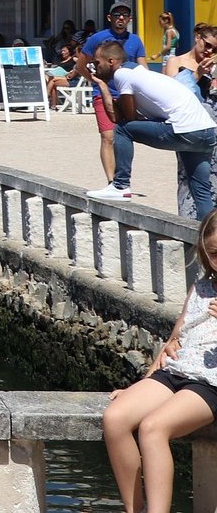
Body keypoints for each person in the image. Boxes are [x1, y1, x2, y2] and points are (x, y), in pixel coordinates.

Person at [103, 209, 217, 512]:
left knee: (153, 428)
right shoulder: (202, 287)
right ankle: (134, 508)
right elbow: (175, 338)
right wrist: (145, 383)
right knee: (115, 419)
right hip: (176, 372)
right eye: (215, 253)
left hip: (210, 383)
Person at [85, 40, 217, 215]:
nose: (95, 67)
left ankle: (120, 185)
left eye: (97, 62)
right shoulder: (138, 72)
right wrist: (102, 85)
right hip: (207, 131)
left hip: (184, 129)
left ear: (111, 62)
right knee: (201, 191)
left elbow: (122, 120)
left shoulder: (122, 74)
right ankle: (208, 238)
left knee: (123, 129)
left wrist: (103, 86)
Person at [83, 2, 150, 194]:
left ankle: (121, 179)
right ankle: (112, 181)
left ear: (130, 19)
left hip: (127, 94)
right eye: (117, 14)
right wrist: (97, 81)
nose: (121, 18)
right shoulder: (97, 38)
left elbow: (142, 67)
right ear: (109, 17)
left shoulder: (135, 40)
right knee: (108, 136)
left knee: (124, 135)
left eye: (125, 15)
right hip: (102, 94)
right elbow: (82, 65)